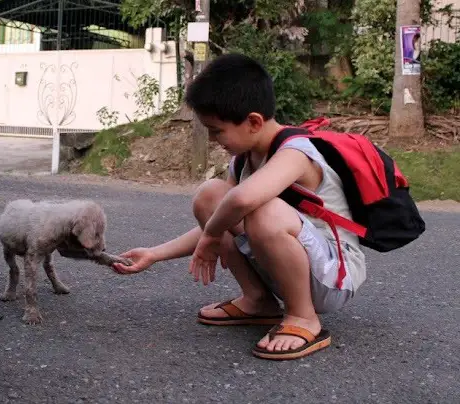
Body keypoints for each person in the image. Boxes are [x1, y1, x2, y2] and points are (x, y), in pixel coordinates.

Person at [112, 53, 367, 360]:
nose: (212, 138)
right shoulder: (243, 161)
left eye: (216, 130)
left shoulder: (296, 152)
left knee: (261, 209)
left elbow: (243, 203)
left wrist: (211, 236)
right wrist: (155, 254)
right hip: (291, 267)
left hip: (333, 278)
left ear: (254, 121)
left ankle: (303, 316)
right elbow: (220, 216)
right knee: (211, 197)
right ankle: (259, 300)